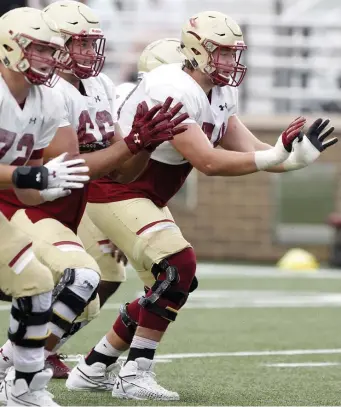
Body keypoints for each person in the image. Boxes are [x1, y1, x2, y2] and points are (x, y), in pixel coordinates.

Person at [65, 10, 338, 400]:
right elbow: (208, 161)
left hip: (146, 194)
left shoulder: (220, 92)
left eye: (234, 54)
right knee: (179, 266)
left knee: (175, 281)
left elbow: (254, 151)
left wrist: (293, 159)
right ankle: (134, 373)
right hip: (116, 188)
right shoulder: (171, 86)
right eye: (223, 53)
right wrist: (276, 157)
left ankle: (94, 365)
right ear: (196, 50)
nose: (231, 62)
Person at [0, 0, 189, 391]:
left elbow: (121, 170)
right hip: (32, 206)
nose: (87, 53)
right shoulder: (47, 91)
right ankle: (19, 370)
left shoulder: (98, 86)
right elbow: (72, 167)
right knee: (74, 279)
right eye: (78, 44)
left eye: (91, 44)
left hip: (67, 204)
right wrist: (130, 144)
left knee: (97, 285)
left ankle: (28, 363)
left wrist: (143, 146)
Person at [0, 6, 91, 406]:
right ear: (9, 48)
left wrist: (50, 186)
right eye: (38, 49)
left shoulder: (48, 102)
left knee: (35, 281)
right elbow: (22, 177)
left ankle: (23, 387)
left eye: (51, 50)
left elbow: (28, 191)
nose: (48, 58)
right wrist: (27, 177)